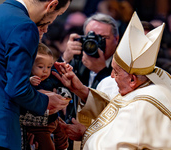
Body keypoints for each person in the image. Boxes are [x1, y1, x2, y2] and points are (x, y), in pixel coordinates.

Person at [53, 12, 171, 149]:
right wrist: (81, 90)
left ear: (132, 79)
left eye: (115, 72)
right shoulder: (153, 79)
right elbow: (116, 108)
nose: (112, 76)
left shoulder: (142, 105)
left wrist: (85, 135)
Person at [0, 0, 72, 149]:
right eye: (59, 14)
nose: (53, 21)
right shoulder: (24, 25)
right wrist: (45, 101)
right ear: (51, 5)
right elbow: (17, 89)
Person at [20, 43, 72, 150]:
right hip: (39, 125)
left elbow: (60, 80)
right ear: (29, 65)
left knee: (63, 134)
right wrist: (30, 80)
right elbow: (22, 90)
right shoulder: (27, 80)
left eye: (49, 66)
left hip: (54, 118)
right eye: (40, 66)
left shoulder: (50, 77)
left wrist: (66, 69)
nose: (45, 70)